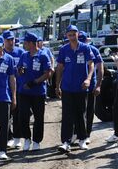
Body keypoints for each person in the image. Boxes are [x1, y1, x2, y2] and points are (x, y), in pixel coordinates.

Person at [55, 25, 94, 153]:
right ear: (67, 36)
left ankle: (82, 139)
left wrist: (88, 79)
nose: (72, 37)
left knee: (81, 113)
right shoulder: (63, 50)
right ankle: (66, 142)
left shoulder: (85, 48)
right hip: (67, 87)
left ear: (78, 34)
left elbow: (91, 65)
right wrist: (57, 85)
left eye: (74, 34)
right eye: (69, 34)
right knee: (67, 115)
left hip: (81, 88)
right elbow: (59, 68)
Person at [16, 33, 53, 151]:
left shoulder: (43, 56)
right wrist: (20, 71)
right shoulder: (24, 55)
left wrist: (35, 82)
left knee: (38, 117)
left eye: (25, 43)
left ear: (31, 43)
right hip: (24, 92)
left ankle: (37, 141)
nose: (24, 45)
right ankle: (27, 138)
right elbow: (19, 69)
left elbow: (48, 73)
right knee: (23, 117)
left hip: (38, 92)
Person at [78, 31, 103, 143]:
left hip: (90, 86)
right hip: (77, 87)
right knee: (78, 111)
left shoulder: (93, 50)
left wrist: (98, 85)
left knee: (88, 111)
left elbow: (101, 69)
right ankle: (78, 133)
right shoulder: (74, 49)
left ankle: (86, 134)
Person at [2, 30, 25, 148]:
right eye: (8, 40)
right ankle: (8, 137)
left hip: (19, 88)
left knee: (17, 114)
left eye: (12, 39)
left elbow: (26, 67)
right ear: (3, 41)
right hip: (4, 89)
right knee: (5, 116)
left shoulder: (21, 52)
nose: (11, 42)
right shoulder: (0, 53)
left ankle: (17, 137)